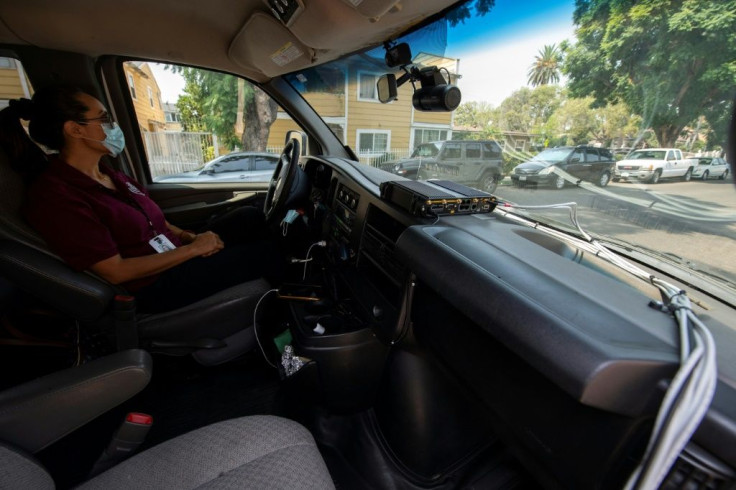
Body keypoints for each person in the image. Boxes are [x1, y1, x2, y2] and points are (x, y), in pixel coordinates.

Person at [0, 85, 283, 313]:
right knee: (271, 253)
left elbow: (154, 221)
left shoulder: (109, 175)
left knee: (250, 216)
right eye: (103, 118)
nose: (113, 126)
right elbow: (116, 272)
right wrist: (193, 251)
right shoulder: (56, 195)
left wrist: (187, 237)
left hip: (172, 256)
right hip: (154, 285)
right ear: (75, 129)